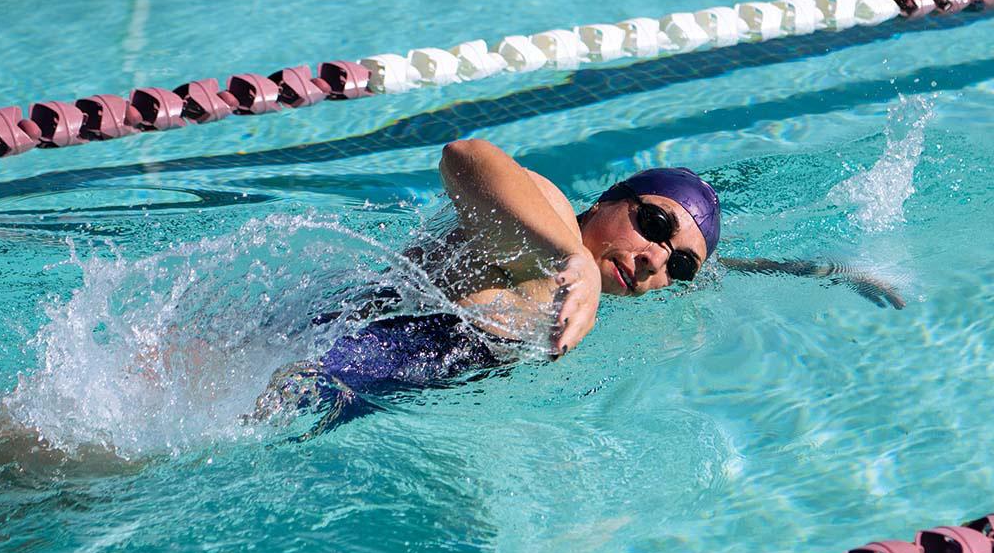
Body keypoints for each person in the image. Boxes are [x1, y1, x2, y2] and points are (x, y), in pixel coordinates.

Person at [251, 138, 902, 424]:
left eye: (677, 265)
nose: (654, 260)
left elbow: (709, 272)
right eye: (652, 224)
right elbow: (467, 157)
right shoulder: (549, 215)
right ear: (610, 201)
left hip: (340, 392)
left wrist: (823, 272)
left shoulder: (596, 263)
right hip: (287, 374)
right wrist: (575, 260)